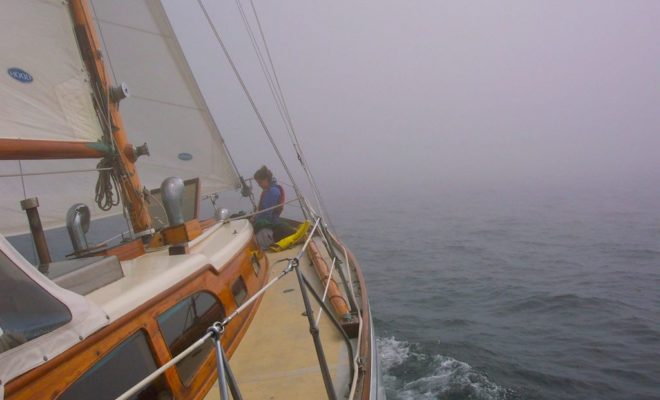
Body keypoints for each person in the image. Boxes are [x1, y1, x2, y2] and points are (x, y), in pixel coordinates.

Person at [252, 166, 291, 249]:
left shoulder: (273, 192)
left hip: (270, 225)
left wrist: (254, 220)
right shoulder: (270, 190)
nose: (259, 185)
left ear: (266, 179)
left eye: (260, 182)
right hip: (270, 221)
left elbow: (267, 215)